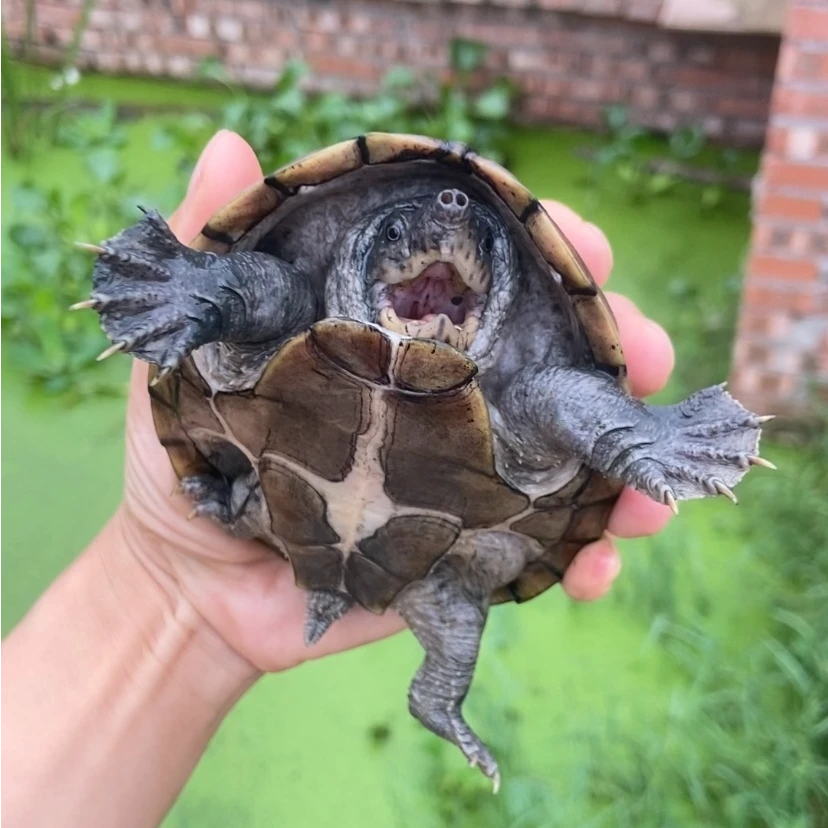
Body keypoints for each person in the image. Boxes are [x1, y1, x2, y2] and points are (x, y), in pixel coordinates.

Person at [0, 130, 675, 827]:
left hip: (438, 554)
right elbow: (259, 284)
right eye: (411, 233)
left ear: (499, 291)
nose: (446, 236)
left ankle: (436, 697)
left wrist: (651, 441)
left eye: (475, 249)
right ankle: (232, 496)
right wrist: (193, 288)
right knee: (274, 295)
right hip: (266, 488)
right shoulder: (313, 260)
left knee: (540, 426)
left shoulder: (526, 366)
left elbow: (565, 399)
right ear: (371, 241)